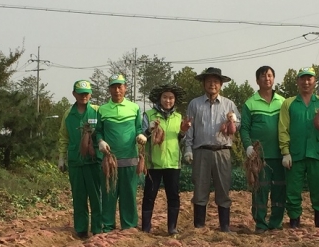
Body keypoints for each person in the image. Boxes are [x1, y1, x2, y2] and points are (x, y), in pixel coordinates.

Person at [184, 67, 240, 232]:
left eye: (216, 81)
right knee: (200, 189)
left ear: (221, 84)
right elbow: (189, 129)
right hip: (201, 151)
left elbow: (237, 124)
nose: (212, 84)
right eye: (209, 81)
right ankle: (199, 226)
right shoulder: (195, 104)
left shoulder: (229, 104)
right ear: (203, 84)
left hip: (223, 151)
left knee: (223, 188)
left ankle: (224, 226)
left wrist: (231, 121)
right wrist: (188, 148)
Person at [278, 67, 319, 229]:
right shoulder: (289, 103)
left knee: (318, 188)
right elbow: (283, 128)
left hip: (316, 152)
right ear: (297, 81)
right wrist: (285, 151)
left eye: (309, 78)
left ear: (315, 81)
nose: (306, 82)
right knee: (293, 190)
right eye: (302, 79)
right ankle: (294, 220)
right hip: (295, 153)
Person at [95, 74, 144, 232]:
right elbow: (98, 132)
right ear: (109, 89)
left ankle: (129, 226)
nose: (117, 90)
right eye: (114, 87)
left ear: (125, 88)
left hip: (130, 160)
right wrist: (100, 141)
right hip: (110, 161)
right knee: (109, 194)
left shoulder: (134, 107)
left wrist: (140, 136)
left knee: (129, 195)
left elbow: (138, 128)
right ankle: (107, 226)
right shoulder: (102, 110)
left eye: (120, 86)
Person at [240, 66, 286, 232]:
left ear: (274, 79)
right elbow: (244, 128)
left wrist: (288, 151)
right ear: (257, 80)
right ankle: (260, 223)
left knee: (279, 190)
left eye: (269, 75)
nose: (267, 78)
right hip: (260, 157)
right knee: (261, 190)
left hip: (280, 154)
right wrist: (248, 146)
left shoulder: (283, 102)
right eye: (263, 76)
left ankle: (276, 223)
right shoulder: (250, 103)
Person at [141, 83, 189, 235]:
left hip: (173, 163)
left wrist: (183, 131)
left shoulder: (179, 117)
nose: (168, 101)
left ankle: (172, 228)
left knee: (173, 196)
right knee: (149, 195)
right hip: (154, 163)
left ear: (174, 100)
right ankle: (146, 227)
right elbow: (142, 136)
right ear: (159, 98)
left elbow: (181, 139)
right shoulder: (148, 115)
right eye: (165, 97)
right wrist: (149, 129)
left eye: (171, 98)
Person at [58, 80, 102, 238]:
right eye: (80, 93)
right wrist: (62, 158)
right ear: (74, 94)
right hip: (76, 161)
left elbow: (104, 132)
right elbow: (63, 136)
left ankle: (98, 228)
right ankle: (81, 228)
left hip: (94, 161)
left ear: (90, 94)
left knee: (96, 195)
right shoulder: (68, 114)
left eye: (86, 93)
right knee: (79, 196)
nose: (83, 96)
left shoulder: (97, 111)